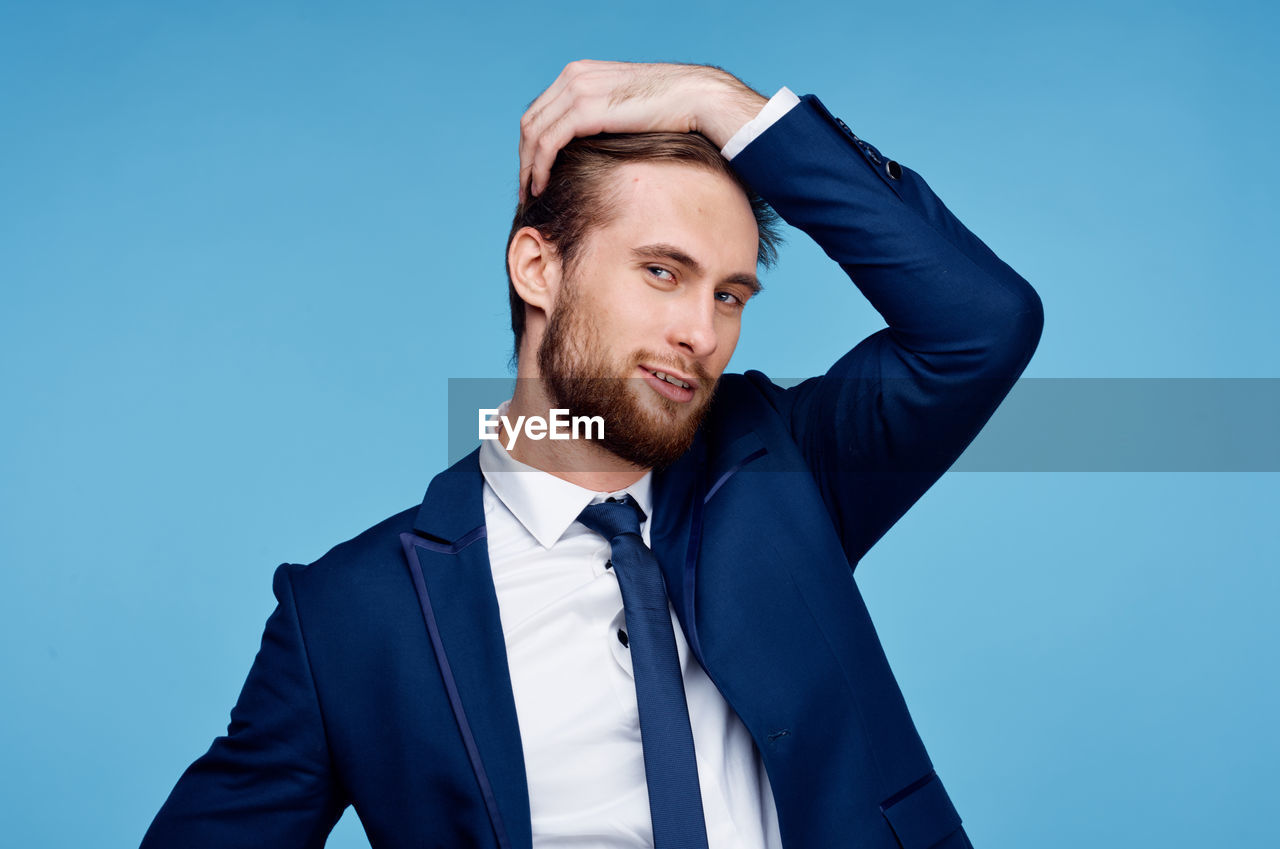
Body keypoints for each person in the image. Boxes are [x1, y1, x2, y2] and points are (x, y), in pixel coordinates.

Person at [141, 60, 1043, 849]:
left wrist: (719, 101)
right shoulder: (348, 616)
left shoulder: (782, 468)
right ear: (538, 267)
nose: (702, 331)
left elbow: (981, 324)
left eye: (731, 295)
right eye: (662, 271)